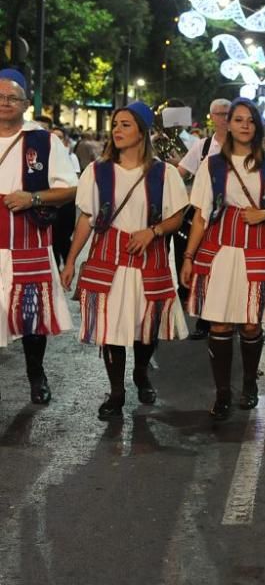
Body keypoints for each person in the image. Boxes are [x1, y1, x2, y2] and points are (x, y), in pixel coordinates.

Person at [59, 102, 189, 420]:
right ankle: (117, 392)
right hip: (108, 256)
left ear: (142, 132)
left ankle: (141, 372)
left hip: (149, 255)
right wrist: (71, 260)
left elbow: (177, 215)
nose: (116, 130)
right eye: (115, 124)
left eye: (125, 124)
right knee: (111, 328)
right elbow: (86, 218)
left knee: (147, 326)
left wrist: (153, 231)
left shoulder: (164, 173)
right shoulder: (97, 171)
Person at [180, 99, 265, 421]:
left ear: (257, 126)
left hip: (257, 247)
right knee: (219, 321)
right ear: (227, 124)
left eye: (250, 120)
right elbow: (201, 215)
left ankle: (248, 384)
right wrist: (189, 256)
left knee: (251, 322)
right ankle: (222, 392)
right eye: (238, 119)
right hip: (218, 248)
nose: (244, 125)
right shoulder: (213, 164)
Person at [0, 68, 78, 403]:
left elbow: (70, 189)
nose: (5, 103)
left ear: (25, 103)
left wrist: (32, 198)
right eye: (0, 97)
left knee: (32, 316)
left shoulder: (42, 140)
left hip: (28, 237)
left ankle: (36, 372)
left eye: (12, 98)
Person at [177, 98, 232, 340]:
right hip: (204, 215)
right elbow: (181, 172)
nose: (225, 118)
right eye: (220, 114)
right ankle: (204, 317)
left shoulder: (242, 146)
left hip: (231, 217)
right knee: (204, 266)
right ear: (212, 117)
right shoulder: (203, 145)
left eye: (229, 113)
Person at [49, 126, 80, 269]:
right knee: (53, 239)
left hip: (66, 204)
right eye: (53, 136)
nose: (56, 140)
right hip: (49, 203)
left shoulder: (71, 157)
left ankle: (68, 265)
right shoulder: (44, 155)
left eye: (59, 137)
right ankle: (54, 268)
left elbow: (75, 181)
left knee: (64, 238)